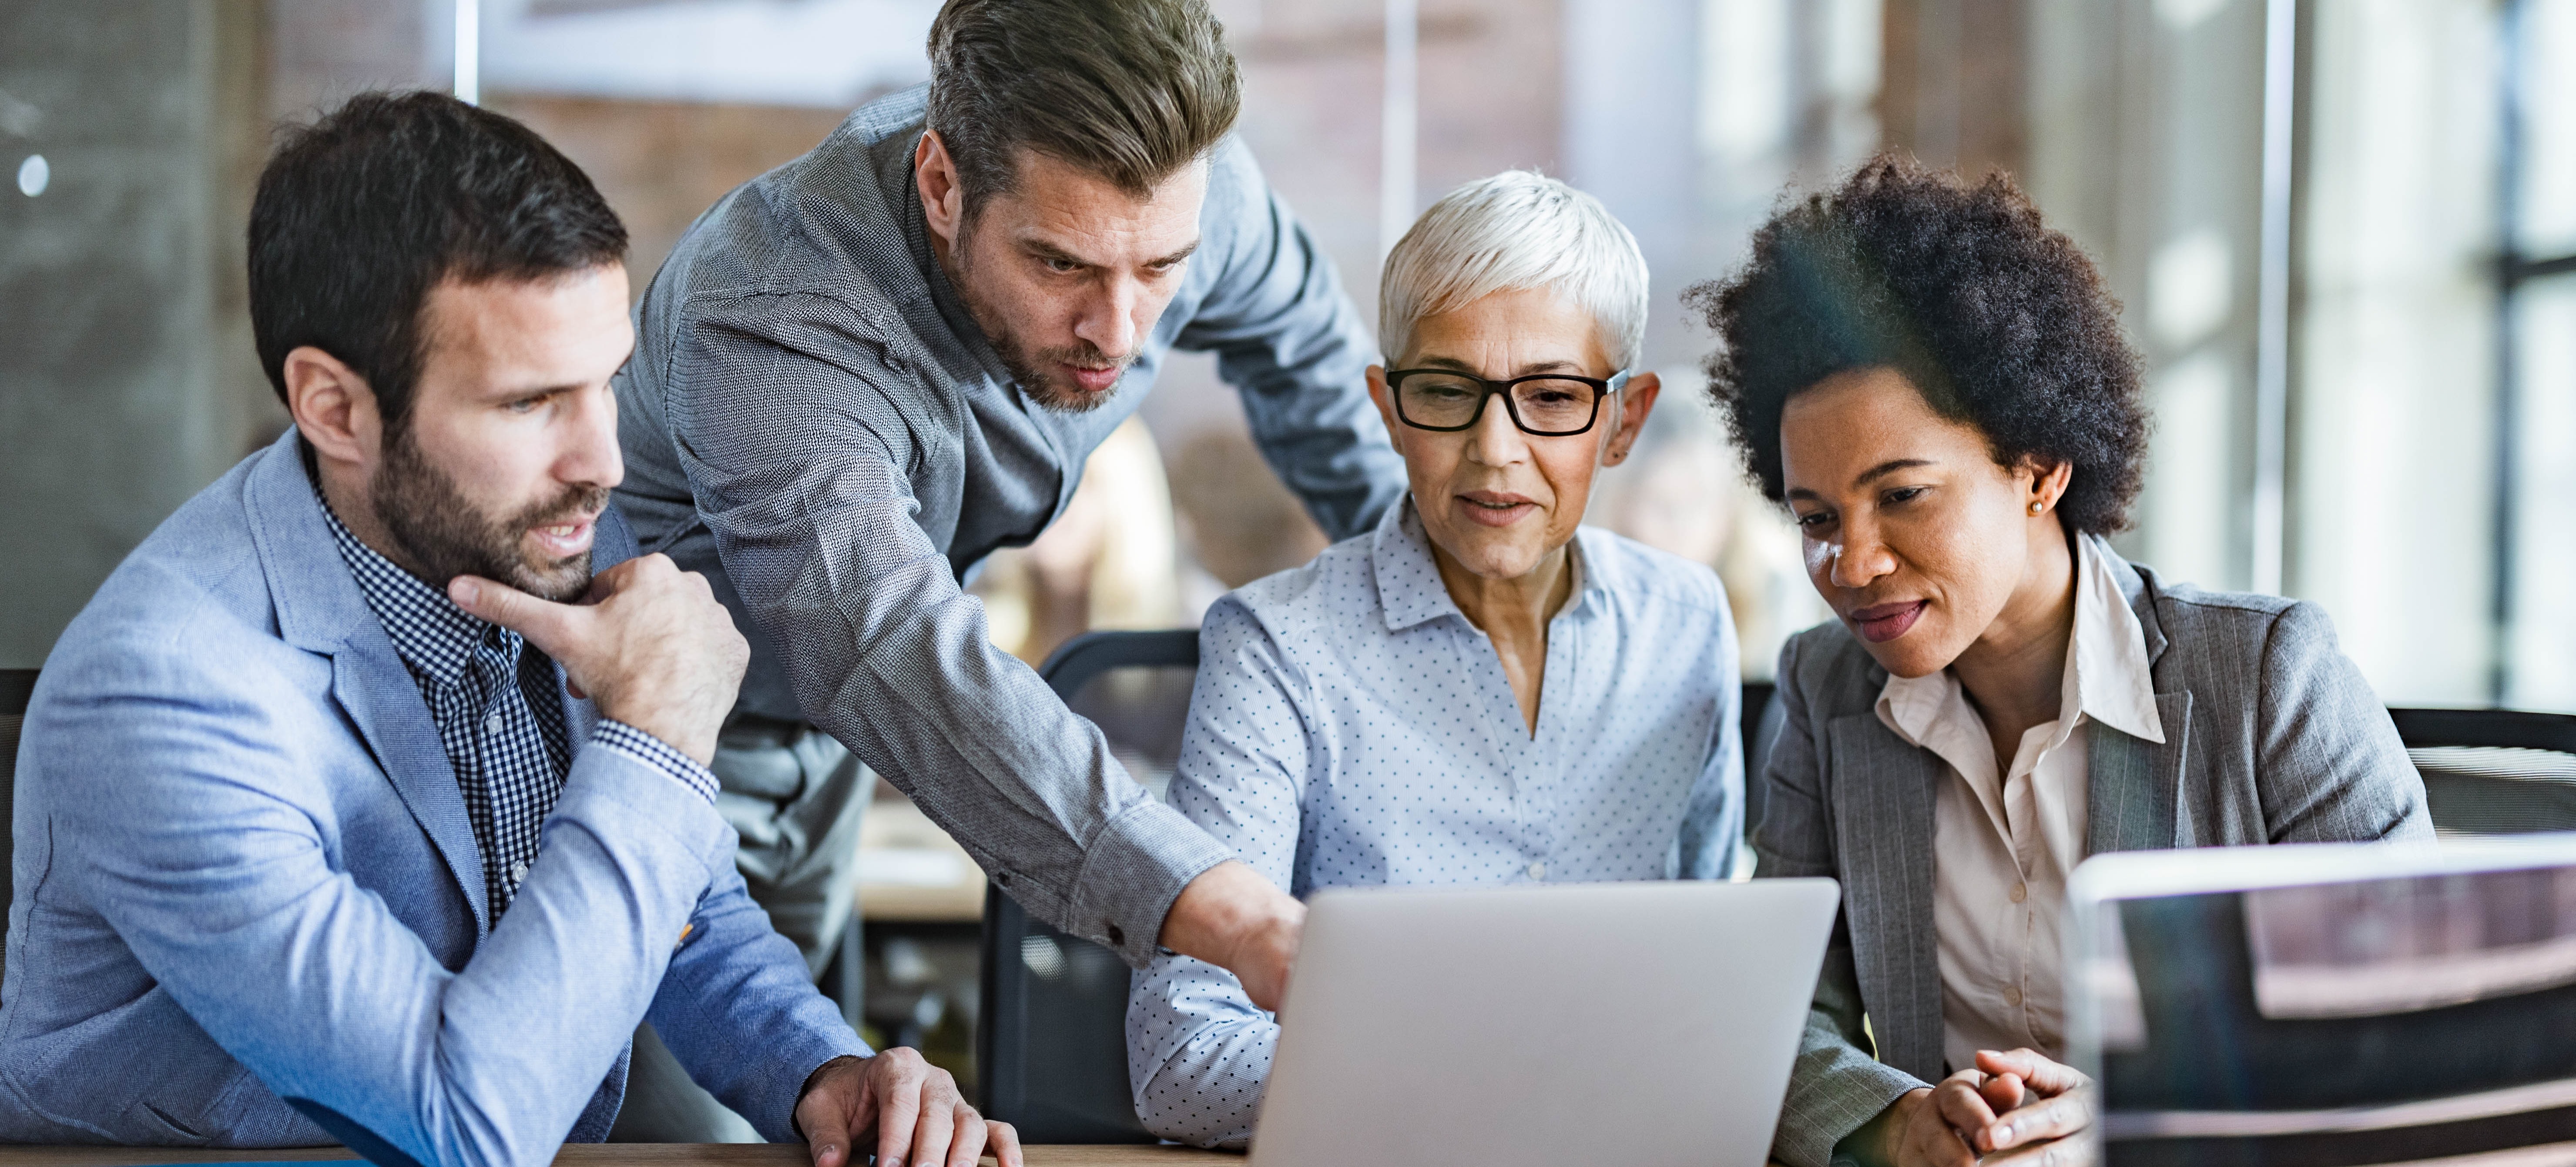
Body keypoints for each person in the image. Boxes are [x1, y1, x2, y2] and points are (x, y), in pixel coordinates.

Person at [0, 92, 1015, 1167]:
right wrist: (659, 733)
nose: (604, 462)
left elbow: (682, 914)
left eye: (606, 384)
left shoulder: (525, 522)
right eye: (531, 403)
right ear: (333, 408)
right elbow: (465, 1123)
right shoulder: (163, 692)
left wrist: (821, 1069)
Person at [609, 0, 1405, 1000]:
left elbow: (1323, 384)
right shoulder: (773, 317)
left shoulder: (1201, 195)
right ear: (940, 184)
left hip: (838, 760)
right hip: (649, 741)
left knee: (801, 1110)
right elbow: (889, 646)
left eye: (1159, 269)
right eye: (1059, 263)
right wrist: (1233, 914)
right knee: (681, 1139)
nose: (1117, 332)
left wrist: (1448, 611)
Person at [1688, 157, 2433, 1167]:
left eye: (1902, 495)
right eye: (1815, 518)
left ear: (2036, 469)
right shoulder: (1828, 691)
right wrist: (1894, 1120)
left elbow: (2410, 1023)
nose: (1850, 563)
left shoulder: (2267, 681)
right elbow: (1774, 1014)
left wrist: (2142, 1114)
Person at [1124, 171, 1745, 1148]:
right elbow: (1182, 1065)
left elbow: (1715, 988)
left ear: (1622, 422)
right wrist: (1492, 1083)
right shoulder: (1278, 650)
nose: (1494, 451)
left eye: (1549, 396)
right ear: (1387, 406)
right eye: (1447, 393)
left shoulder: (1686, 624)